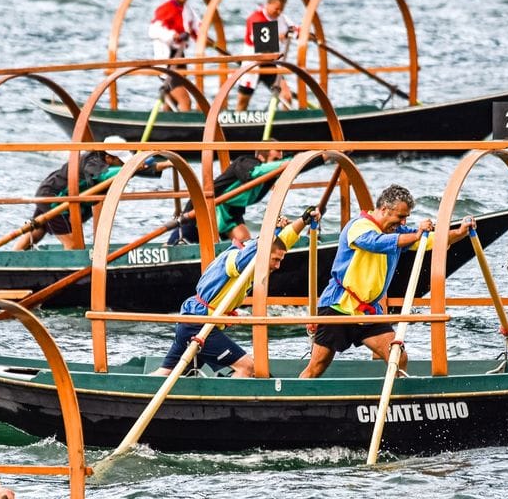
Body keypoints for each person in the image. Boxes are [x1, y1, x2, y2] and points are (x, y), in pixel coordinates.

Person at [299, 184, 474, 379]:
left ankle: (396, 396)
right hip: (339, 306)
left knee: (398, 358)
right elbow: (375, 243)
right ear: (384, 209)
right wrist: (415, 235)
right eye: (400, 217)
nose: (403, 222)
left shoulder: (396, 231)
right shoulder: (359, 226)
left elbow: (430, 240)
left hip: (368, 312)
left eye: (406, 217)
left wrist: (459, 233)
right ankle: (296, 394)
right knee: (317, 366)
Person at [153, 207, 321, 378]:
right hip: (199, 325)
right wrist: (270, 231)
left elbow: (282, 241)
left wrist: (303, 220)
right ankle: (224, 395)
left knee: (165, 373)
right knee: (248, 368)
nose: (278, 266)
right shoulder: (234, 259)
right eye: (275, 260)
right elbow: (250, 254)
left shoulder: (254, 259)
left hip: (190, 322)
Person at [13, 135, 171, 250]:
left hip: (50, 193)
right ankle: (72, 273)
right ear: (108, 158)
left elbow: (126, 170)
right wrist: (133, 167)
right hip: (53, 198)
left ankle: (13, 256)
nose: (122, 164)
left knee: (38, 230)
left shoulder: (106, 161)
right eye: (120, 161)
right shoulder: (92, 163)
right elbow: (108, 175)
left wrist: (163, 165)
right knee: (73, 245)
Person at [167, 145, 291, 245]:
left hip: (230, 211)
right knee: (180, 240)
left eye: (280, 160)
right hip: (206, 206)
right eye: (275, 160)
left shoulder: (270, 177)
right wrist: (283, 165)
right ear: (261, 157)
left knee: (245, 241)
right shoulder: (246, 162)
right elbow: (255, 172)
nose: (278, 163)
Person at [235, 0, 297, 111]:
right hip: (252, 65)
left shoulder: (281, 18)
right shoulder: (256, 18)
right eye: (276, 9)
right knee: (243, 101)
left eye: (281, 9)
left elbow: (295, 30)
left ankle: (285, 120)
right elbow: (262, 44)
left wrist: (305, 34)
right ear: (268, 4)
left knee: (286, 97)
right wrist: (280, 36)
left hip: (270, 64)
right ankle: (236, 120)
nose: (279, 12)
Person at [149, 0, 201, 111]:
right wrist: (173, 36)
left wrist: (204, 38)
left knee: (171, 102)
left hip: (180, 57)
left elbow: (197, 28)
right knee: (185, 101)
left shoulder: (188, 10)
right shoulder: (166, 8)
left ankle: (164, 121)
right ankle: (189, 125)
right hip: (167, 60)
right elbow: (153, 30)